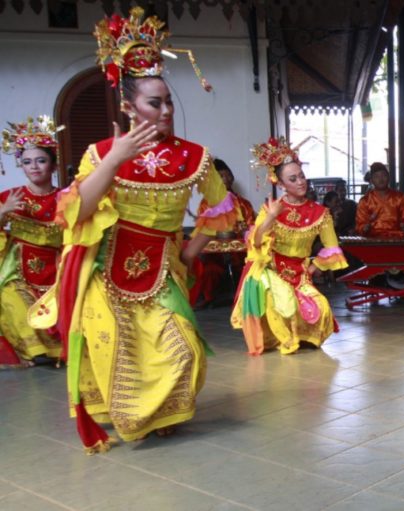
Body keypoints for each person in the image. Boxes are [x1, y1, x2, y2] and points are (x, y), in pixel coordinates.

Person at [30, 7, 238, 453]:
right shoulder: (100, 152)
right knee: (116, 348)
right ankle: (135, 419)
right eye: (153, 103)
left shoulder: (194, 156)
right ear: (128, 106)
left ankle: (162, 411)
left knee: (182, 347)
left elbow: (223, 207)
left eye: (167, 102)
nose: (165, 111)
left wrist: (190, 251)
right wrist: (113, 161)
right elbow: (76, 210)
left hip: (163, 266)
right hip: (107, 266)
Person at [232, 137, 348, 356]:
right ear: (281, 184)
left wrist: (311, 270)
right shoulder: (271, 209)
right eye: (292, 179)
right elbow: (255, 242)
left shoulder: (320, 214)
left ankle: (298, 334)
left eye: (301, 176)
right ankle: (282, 336)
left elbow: (332, 248)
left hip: (300, 272)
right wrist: (271, 217)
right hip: (274, 270)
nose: (300, 182)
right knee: (284, 306)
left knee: (320, 310)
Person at [0, 116, 64, 368]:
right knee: (10, 296)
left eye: (40, 160)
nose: (34, 167)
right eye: (27, 162)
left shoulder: (65, 197)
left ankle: (55, 350)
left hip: (55, 268)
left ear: (53, 165)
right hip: (18, 268)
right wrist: (4, 211)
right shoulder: (9, 196)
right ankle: (35, 350)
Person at [191, 158, 255, 307]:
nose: (226, 179)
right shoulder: (206, 204)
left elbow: (251, 225)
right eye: (221, 176)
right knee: (208, 269)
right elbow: (203, 228)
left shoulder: (243, 203)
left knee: (250, 264)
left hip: (239, 249)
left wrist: (242, 228)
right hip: (215, 251)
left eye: (228, 175)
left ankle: (245, 298)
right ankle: (208, 299)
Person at [356, 162, 404, 237]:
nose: (381, 179)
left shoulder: (400, 197)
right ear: (372, 180)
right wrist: (364, 228)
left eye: (383, 175)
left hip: (397, 240)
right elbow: (360, 224)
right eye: (376, 176)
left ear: (388, 177)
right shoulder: (365, 201)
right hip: (372, 241)